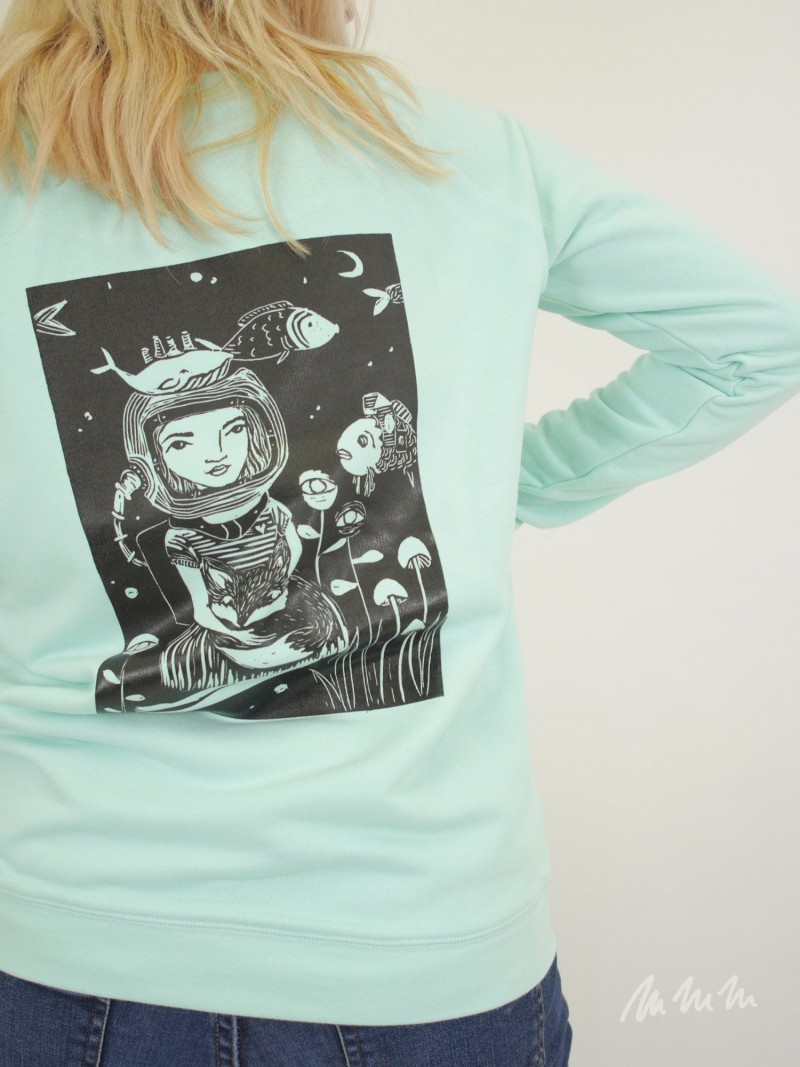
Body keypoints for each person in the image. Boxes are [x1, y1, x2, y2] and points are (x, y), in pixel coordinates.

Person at [0, 1, 798, 1065]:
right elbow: (754, 338)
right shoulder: (457, 153)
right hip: (422, 942)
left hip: (66, 935)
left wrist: (481, 489)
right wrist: (505, 486)